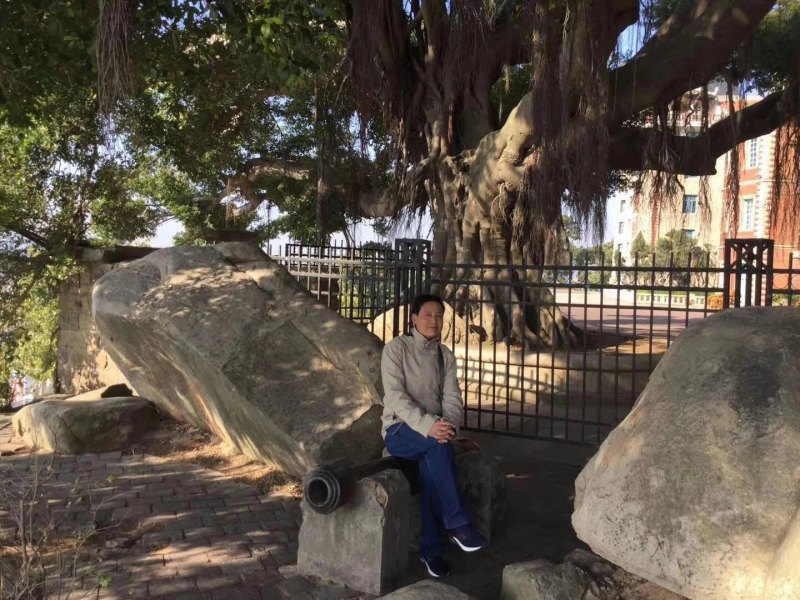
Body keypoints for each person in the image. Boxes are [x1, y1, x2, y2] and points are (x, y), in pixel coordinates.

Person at [381, 293, 487, 578]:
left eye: (439, 315)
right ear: (414, 318)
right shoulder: (396, 349)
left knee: (433, 465)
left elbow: (453, 399)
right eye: (427, 315)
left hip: (434, 434)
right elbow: (395, 397)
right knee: (438, 448)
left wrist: (448, 427)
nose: (434, 320)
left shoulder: (445, 355)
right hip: (399, 429)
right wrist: (428, 426)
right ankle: (457, 524)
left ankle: (431, 551)